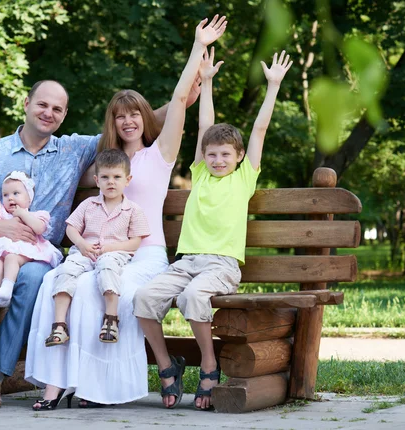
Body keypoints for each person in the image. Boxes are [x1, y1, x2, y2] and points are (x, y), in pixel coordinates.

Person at [25, 15, 228, 410]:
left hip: (147, 255)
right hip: (100, 253)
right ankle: (63, 383)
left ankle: (103, 389)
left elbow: (180, 95)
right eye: (121, 115)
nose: (129, 120)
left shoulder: (161, 154)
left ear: (146, 118)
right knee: (64, 285)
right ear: (113, 123)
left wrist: (197, 46)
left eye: (135, 113)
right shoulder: (106, 164)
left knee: (110, 292)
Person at [133, 49, 293, 410]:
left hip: (221, 265)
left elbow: (260, 129)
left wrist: (273, 86)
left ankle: (208, 362)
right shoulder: (201, 172)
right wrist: (205, 81)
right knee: (143, 299)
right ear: (203, 157)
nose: (218, 160)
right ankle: (166, 364)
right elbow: (205, 125)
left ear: (238, 157)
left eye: (225, 154)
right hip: (186, 263)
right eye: (212, 154)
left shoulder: (244, 178)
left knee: (193, 298)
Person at [0, 79, 101, 414]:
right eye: (43, 104)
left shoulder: (73, 150)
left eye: (57, 109)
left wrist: (187, 91)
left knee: (33, 281)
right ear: (27, 103)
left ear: (64, 115)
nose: (49, 113)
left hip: (38, 255)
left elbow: (130, 121)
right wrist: (0, 225)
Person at [44, 149, 150, 356]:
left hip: (114, 253)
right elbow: (71, 228)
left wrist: (112, 248)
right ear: (96, 180)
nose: (111, 182)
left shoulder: (132, 210)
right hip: (86, 251)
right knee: (66, 269)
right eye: (105, 177)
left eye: (117, 177)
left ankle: (111, 319)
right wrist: (82, 244)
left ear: (127, 180)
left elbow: (136, 242)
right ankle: (59, 325)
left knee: (107, 266)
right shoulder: (88, 205)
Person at [0, 171, 63, 308]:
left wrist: (23, 214)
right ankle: (4, 294)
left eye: (16, 193)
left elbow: (39, 229)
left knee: (11, 258)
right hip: (2, 252)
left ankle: (7, 287)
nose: (10, 198)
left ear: (29, 199)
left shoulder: (36, 215)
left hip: (25, 252)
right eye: (5, 195)